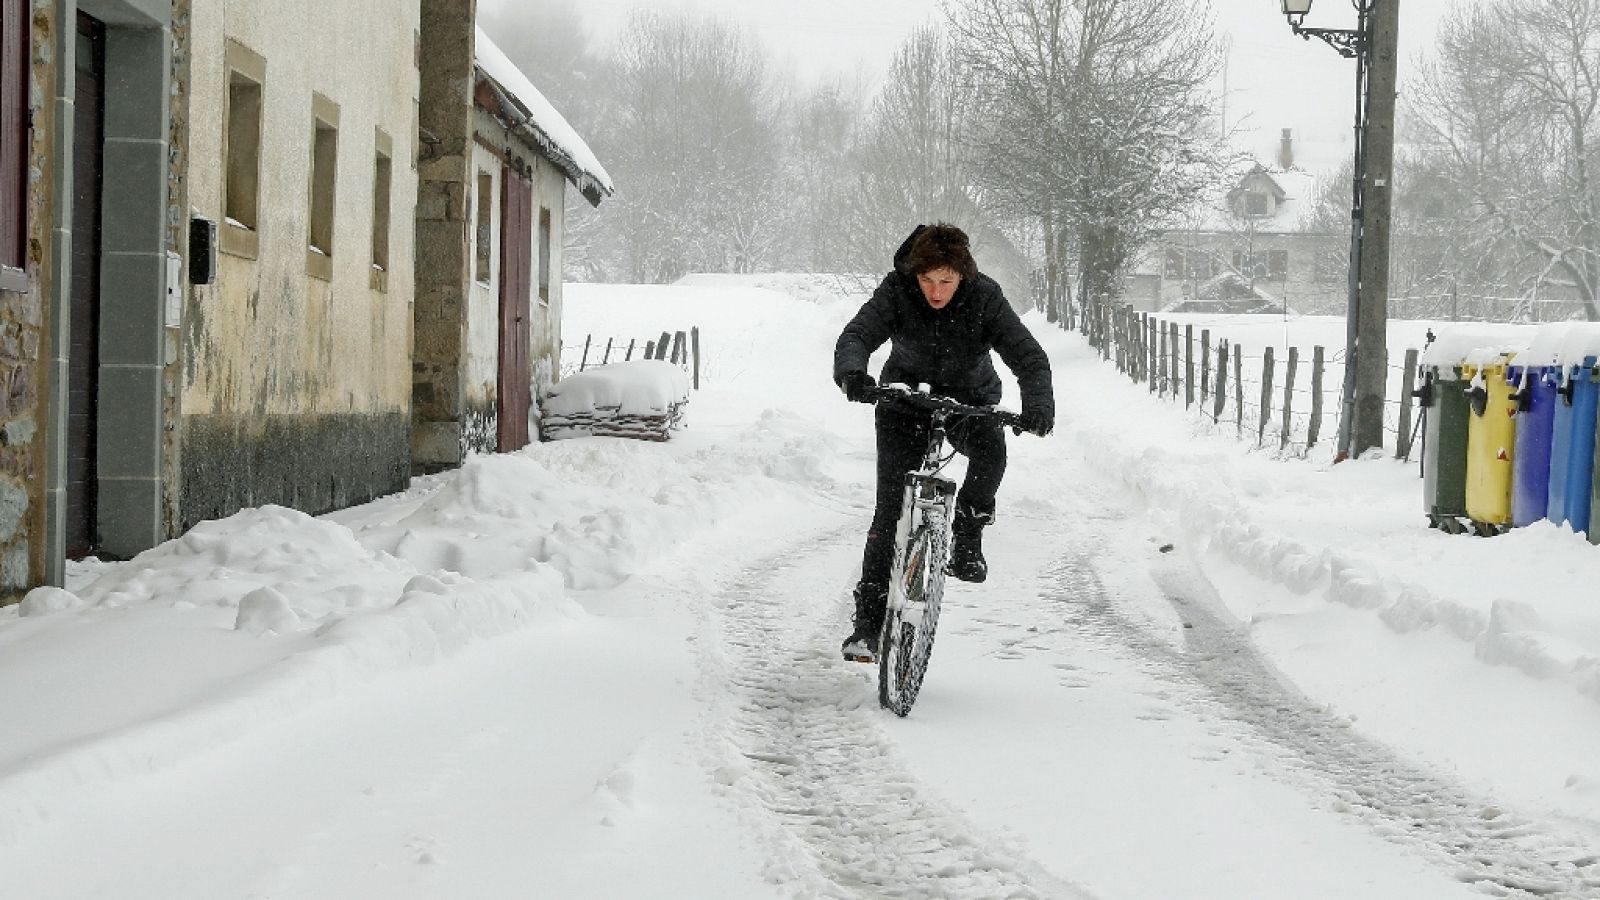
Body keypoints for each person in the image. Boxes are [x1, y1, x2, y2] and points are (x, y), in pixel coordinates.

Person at [833, 223, 1055, 663]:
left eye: (946, 282)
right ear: (914, 276)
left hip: (968, 403)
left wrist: (1038, 404)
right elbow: (857, 335)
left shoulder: (985, 297)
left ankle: (968, 533)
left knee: (992, 454)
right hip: (904, 401)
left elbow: (1028, 356)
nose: (936, 292)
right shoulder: (896, 291)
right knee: (890, 510)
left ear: (963, 277)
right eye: (928, 281)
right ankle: (868, 626)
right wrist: (854, 373)